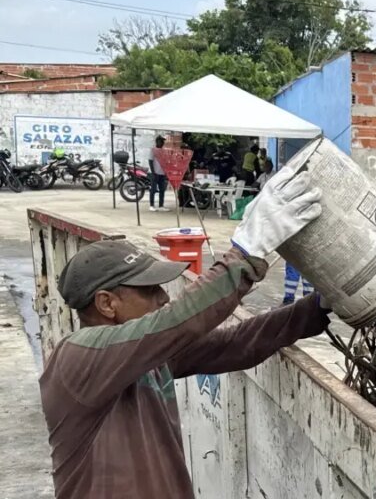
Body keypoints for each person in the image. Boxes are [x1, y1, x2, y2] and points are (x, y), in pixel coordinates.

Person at [39, 167, 325, 499]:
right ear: (107, 303)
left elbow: (233, 344)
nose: (163, 297)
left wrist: (317, 309)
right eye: (149, 290)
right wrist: (244, 256)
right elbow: (178, 320)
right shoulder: (76, 358)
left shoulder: (149, 355)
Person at [148, 135, 168, 212]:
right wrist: (153, 172)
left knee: (162, 190)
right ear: (157, 142)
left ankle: (161, 205)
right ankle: (151, 205)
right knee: (153, 190)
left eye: (163, 141)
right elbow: (150, 161)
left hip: (162, 173)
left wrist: (166, 172)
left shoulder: (164, 151)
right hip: (155, 173)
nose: (162, 143)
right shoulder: (153, 150)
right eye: (161, 141)